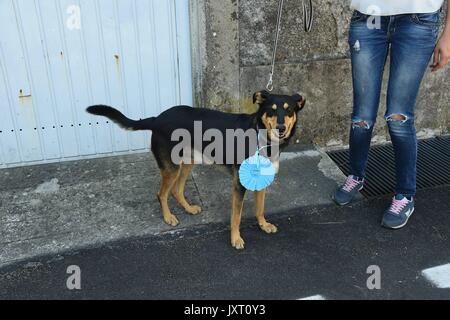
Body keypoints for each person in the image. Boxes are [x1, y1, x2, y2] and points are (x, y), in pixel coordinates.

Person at [333, 0, 450, 229]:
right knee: (361, 117)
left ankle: (405, 195)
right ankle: (355, 176)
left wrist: (448, 36)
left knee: (399, 116)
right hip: (367, 17)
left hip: (418, 19)